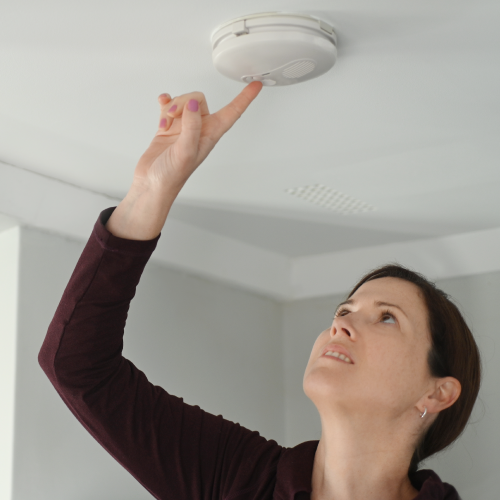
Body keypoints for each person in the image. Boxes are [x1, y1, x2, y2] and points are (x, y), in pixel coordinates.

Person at [39, 80, 481, 500]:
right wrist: (149, 194)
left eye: (387, 317)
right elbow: (79, 367)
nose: (342, 324)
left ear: (437, 393)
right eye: (344, 311)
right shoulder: (235, 476)